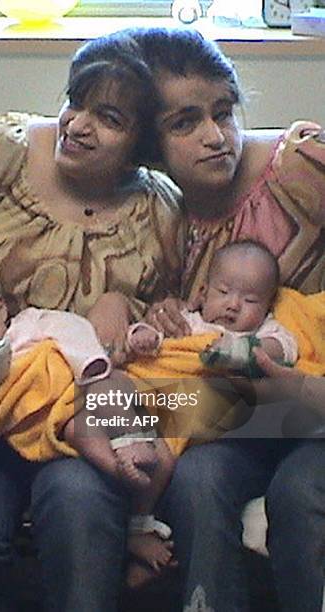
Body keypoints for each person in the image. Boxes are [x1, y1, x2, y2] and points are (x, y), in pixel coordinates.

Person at [0, 31, 184, 612]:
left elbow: (166, 311)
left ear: (140, 146)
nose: (78, 125)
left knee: (84, 524)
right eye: (75, 102)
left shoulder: (158, 210)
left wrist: (127, 309)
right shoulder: (0, 152)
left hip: (71, 414)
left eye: (108, 118)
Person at [128, 26, 325, 612]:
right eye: (184, 123)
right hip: (232, 414)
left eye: (224, 112)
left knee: (297, 492)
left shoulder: (303, 170)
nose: (216, 137)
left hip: (309, 402)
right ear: (146, 142)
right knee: (196, 478)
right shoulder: (148, 216)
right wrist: (159, 317)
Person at [131, 239, 298, 375]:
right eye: (224, 292)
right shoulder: (187, 321)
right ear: (203, 294)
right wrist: (143, 335)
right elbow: (157, 333)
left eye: (250, 300)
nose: (233, 305)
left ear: (267, 307)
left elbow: (285, 346)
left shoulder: (261, 330)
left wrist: (240, 349)